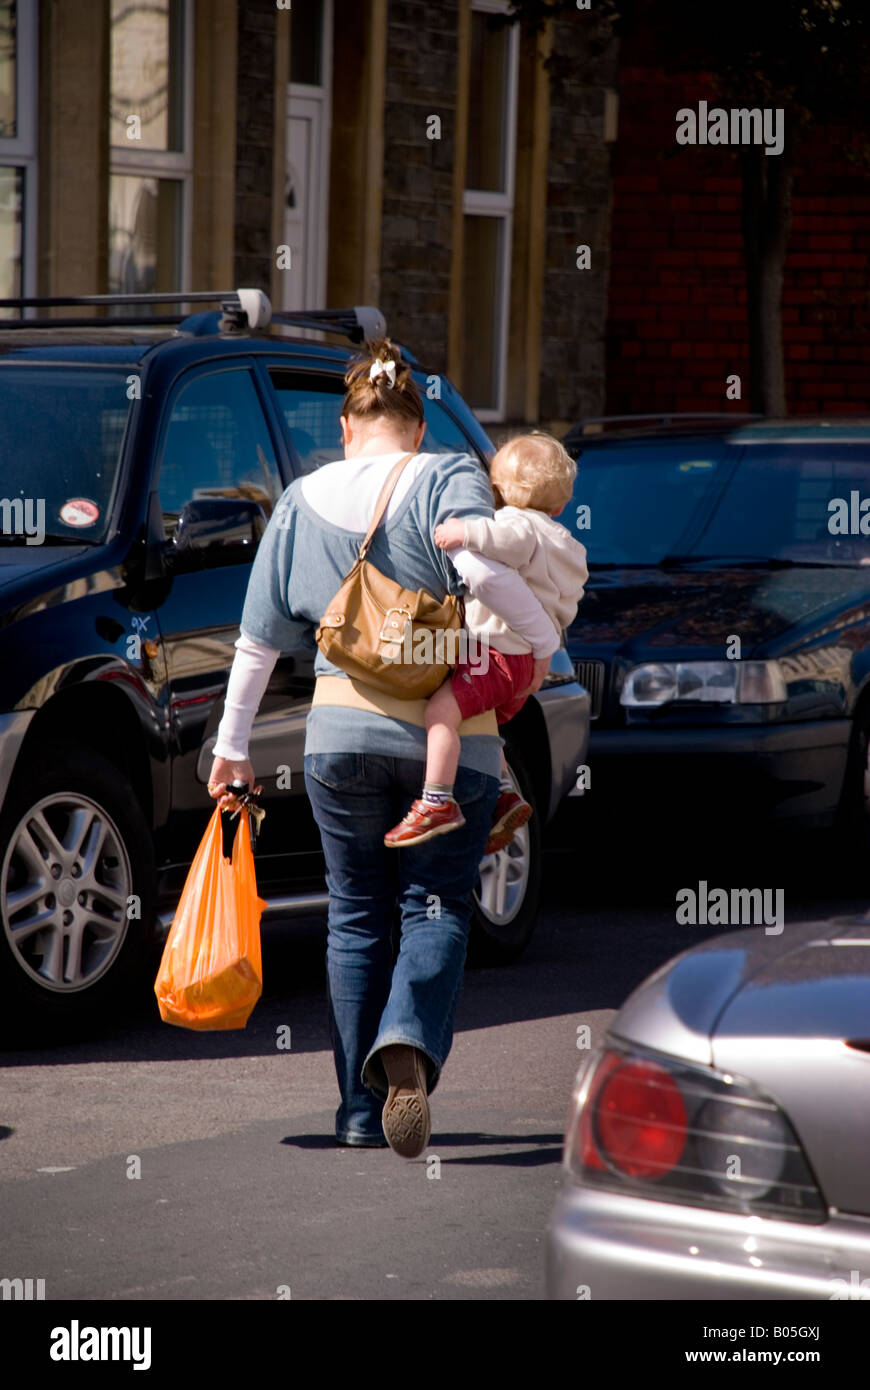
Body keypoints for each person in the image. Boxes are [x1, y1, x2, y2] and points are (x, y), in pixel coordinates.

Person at [206, 340, 561, 1159]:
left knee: (355, 915)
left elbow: (257, 644)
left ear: (345, 423)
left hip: (339, 737)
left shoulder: (298, 497)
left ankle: (357, 1112)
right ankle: (405, 1038)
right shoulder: (447, 476)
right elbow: (485, 569)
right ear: (418, 420)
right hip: (454, 739)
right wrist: (539, 648)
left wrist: (232, 748)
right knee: (434, 904)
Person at [383, 431, 588, 852]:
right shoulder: (569, 546)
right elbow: (568, 603)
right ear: (562, 504)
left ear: (500, 492)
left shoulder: (517, 524)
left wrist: (464, 531)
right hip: (524, 665)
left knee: (441, 712)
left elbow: (503, 542)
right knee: (483, 722)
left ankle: (436, 800)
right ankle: (505, 792)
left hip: (494, 654)